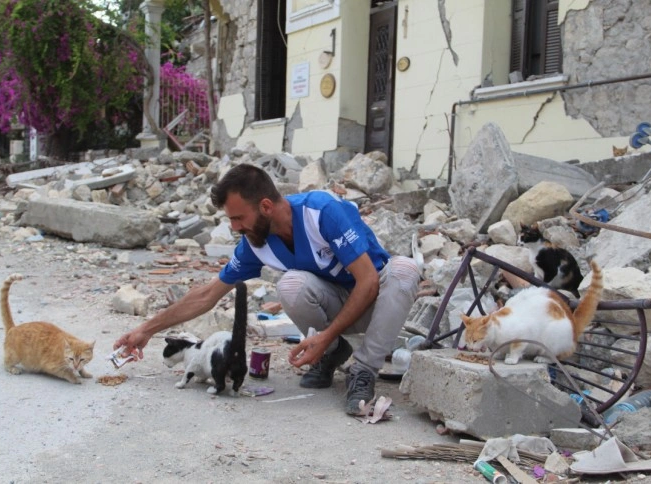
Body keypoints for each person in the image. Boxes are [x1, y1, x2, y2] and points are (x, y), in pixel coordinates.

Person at [114, 163, 422, 414]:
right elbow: (209, 294)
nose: (235, 227)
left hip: (377, 306)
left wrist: (325, 331)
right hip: (340, 307)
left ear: (265, 206)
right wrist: (147, 329)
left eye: (238, 218)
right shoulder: (255, 242)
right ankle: (330, 353)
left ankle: (363, 370)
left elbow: (368, 281)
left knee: (405, 270)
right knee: (290, 285)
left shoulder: (322, 211)